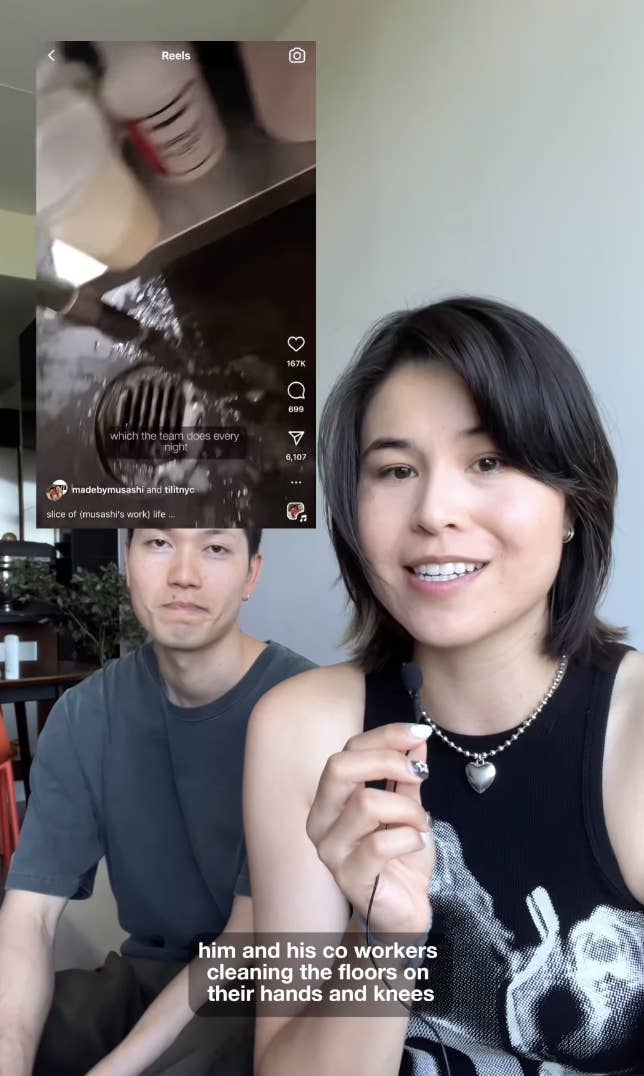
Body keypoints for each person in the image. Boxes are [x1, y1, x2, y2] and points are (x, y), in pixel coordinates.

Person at [244, 298, 644, 1076]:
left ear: (573, 502)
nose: (434, 512)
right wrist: (391, 943)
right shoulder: (301, 730)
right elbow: (281, 1065)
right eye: (395, 470)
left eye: (488, 461)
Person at [0, 527, 315, 1076]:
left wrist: (115, 1070)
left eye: (215, 548)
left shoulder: (306, 709)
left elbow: (246, 939)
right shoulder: (85, 714)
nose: (184, 574)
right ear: (128, 562)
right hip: (147, 977)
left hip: (266, 986)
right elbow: (29, 914)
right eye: (158, 544)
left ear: (252, 574)